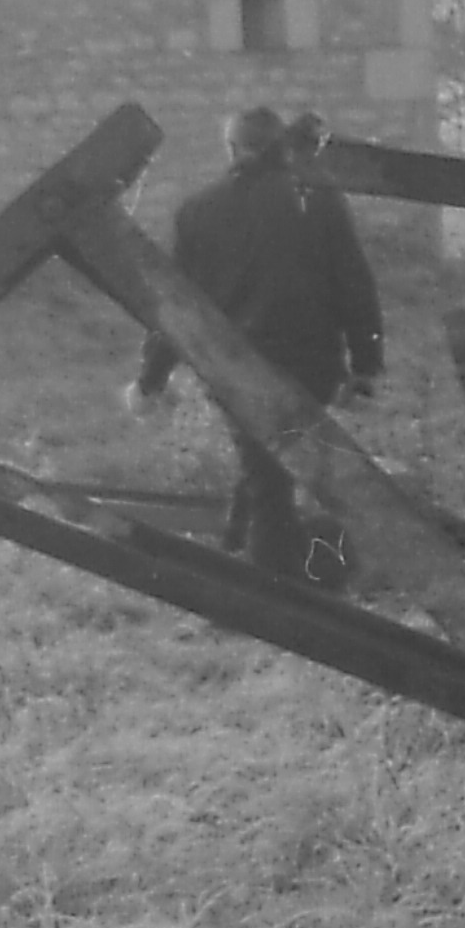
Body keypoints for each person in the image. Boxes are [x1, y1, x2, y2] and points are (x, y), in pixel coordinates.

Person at [127, 105, 384, 580]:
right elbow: (354, 283)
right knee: (269, 466)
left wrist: (151, 379)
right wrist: (366, 367)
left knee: (267, 475)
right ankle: (240, 559)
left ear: (232, 148)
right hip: (314, 365)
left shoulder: (198, 211)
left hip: (233, 367)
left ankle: (275, 595)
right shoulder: (317, 201)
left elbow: (174, 304)